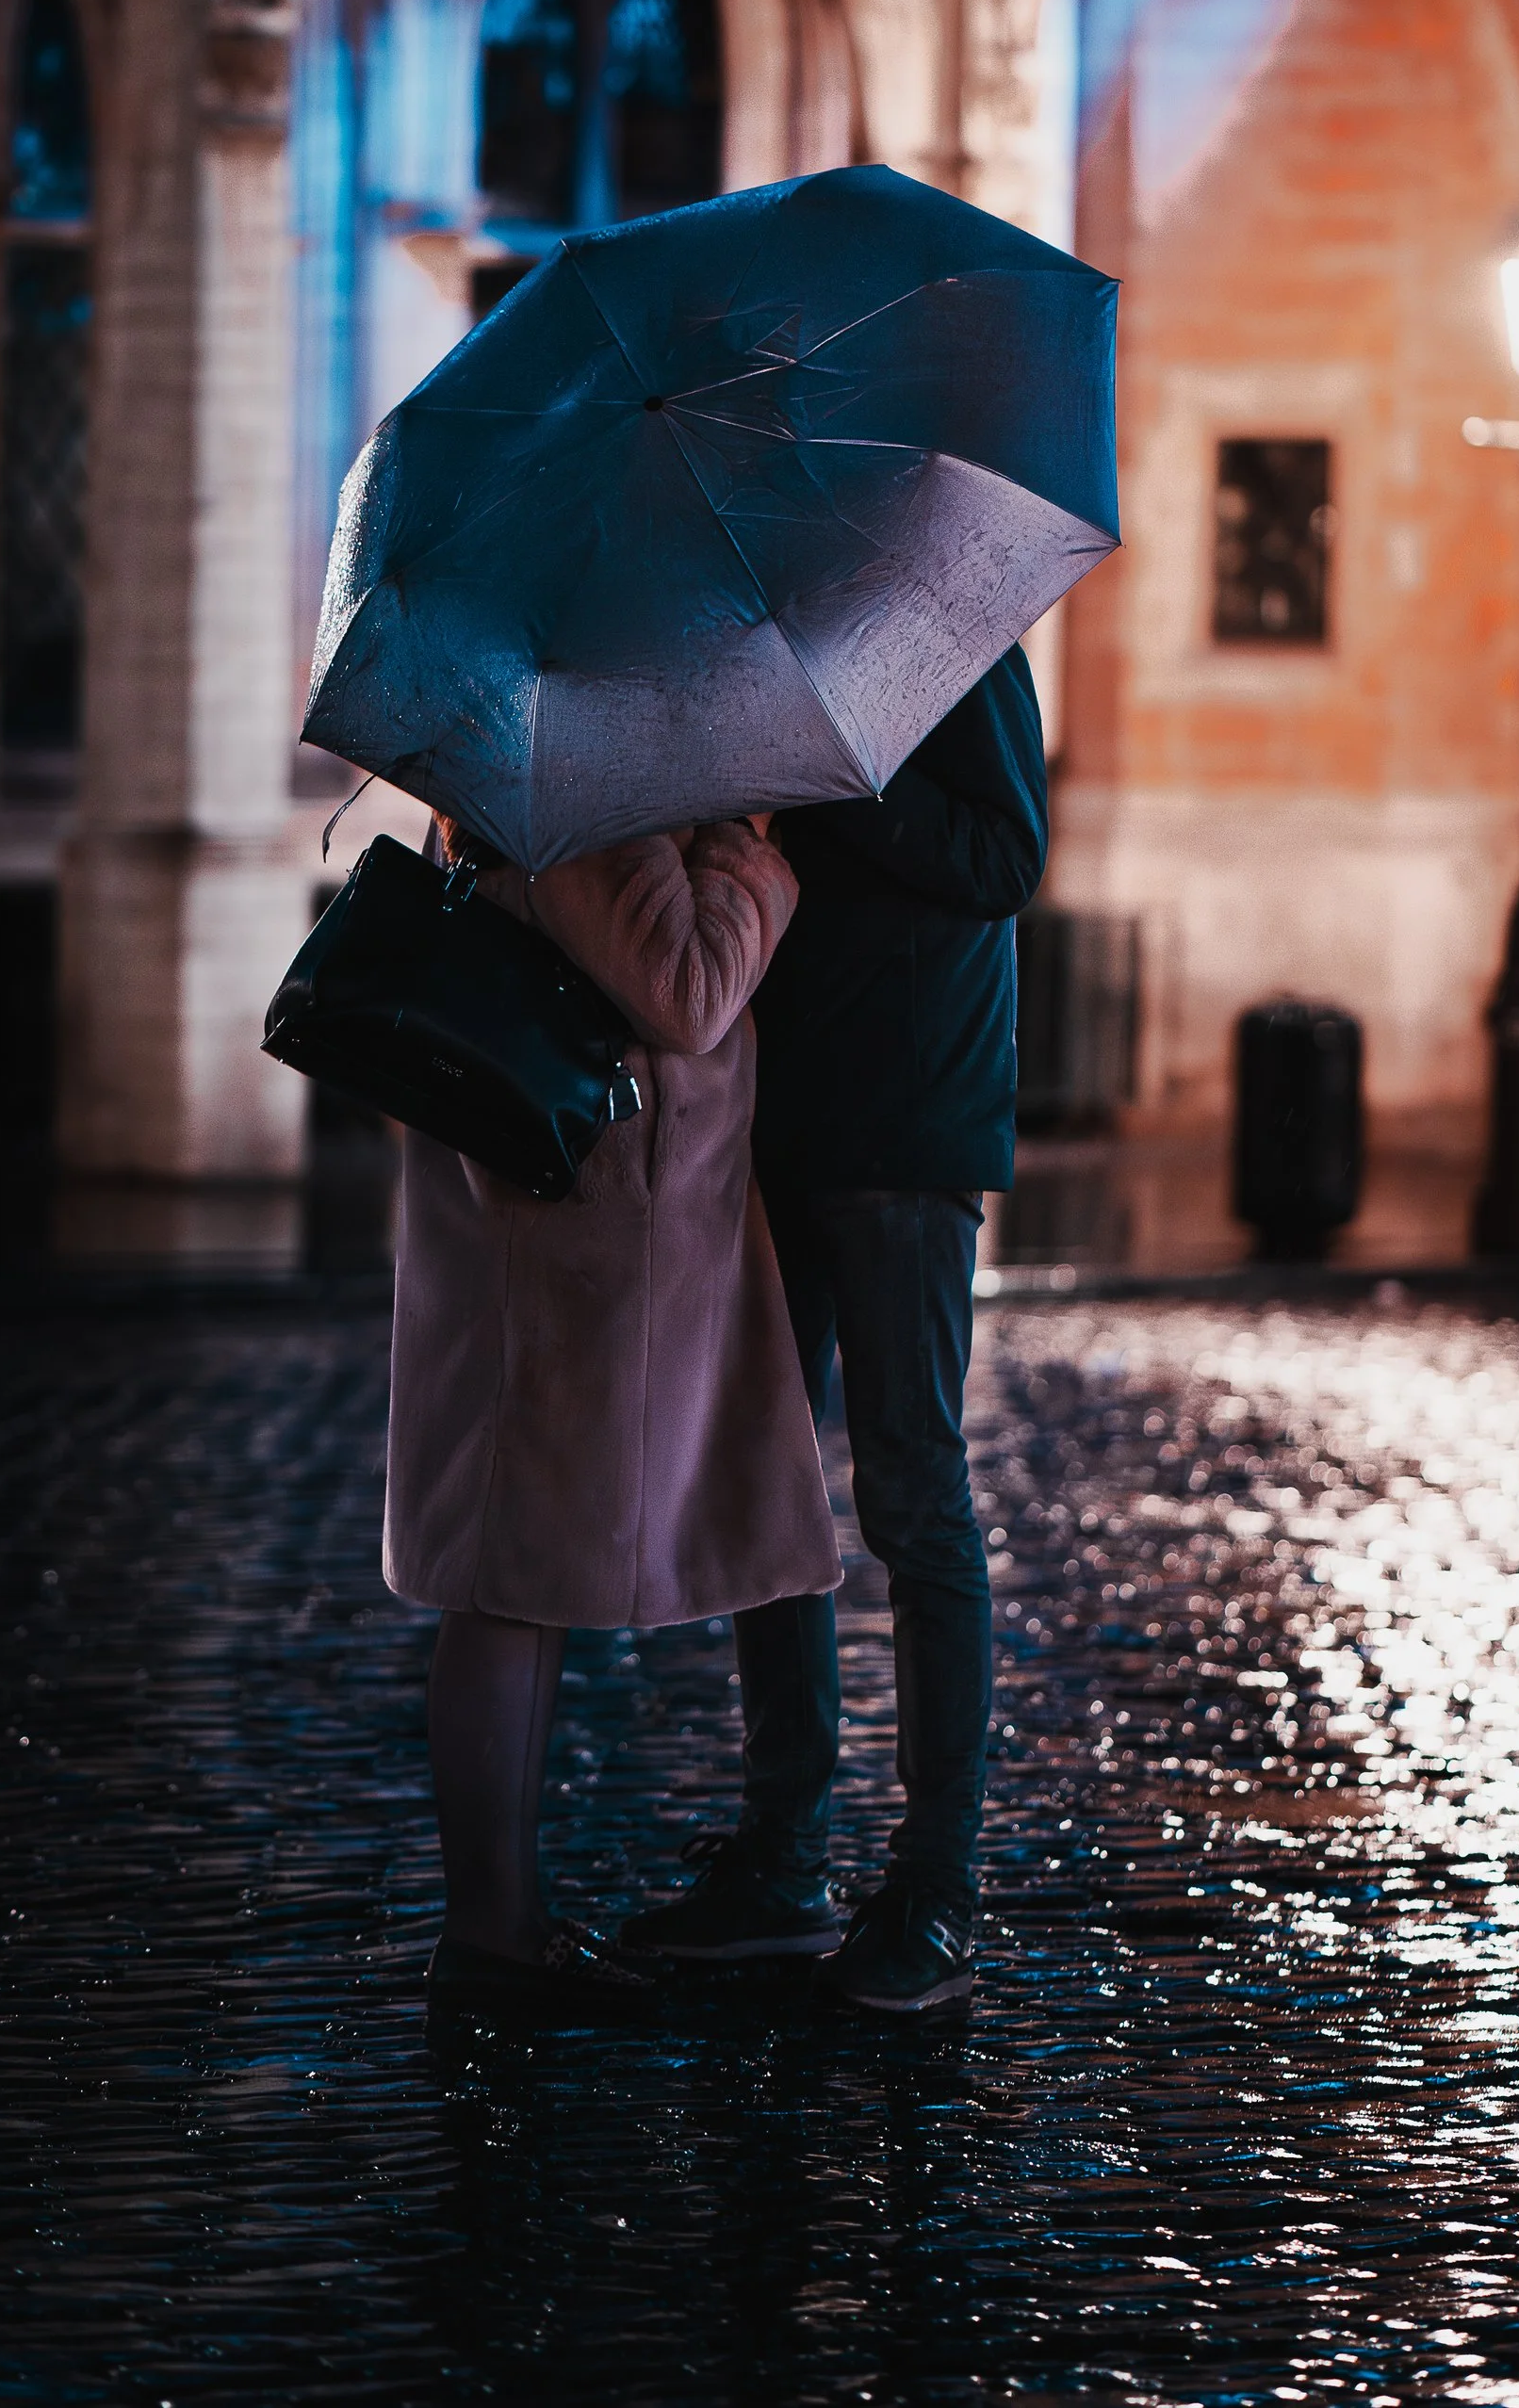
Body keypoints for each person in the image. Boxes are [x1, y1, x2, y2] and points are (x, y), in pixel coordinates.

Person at [621, 649, 1050, 2012]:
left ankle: (937, 1884)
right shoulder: (766, 653)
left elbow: (1005, 852)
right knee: (766, 1488)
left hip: (912, 1117)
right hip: (782, 1112)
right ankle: (787, 1847)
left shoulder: (953, 645)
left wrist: (836, 789)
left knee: (914, 1497)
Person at [388, 812, 841, 2020]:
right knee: (508, 1576)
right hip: (574, 1238)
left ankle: (505, 1922)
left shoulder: (542, 787)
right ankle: (491, 1928)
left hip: (556, 1224)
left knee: (513, 1574)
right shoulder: (598, 808)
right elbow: (687, 992)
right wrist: (747, 852)